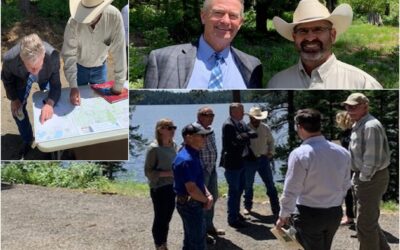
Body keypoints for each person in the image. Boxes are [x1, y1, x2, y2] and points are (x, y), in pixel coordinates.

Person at [276, 109, 351, 250]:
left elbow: (291, 188)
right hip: (334, 213)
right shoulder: (342, 152)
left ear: (299, 127)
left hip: (308, 214)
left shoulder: (300, 154)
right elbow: (346, 184)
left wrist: (283, 215)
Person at [144, 0, 262, 89]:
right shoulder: (161, 59)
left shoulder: (253, 67)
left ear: (240, 23)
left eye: (233, 16)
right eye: (218, 13)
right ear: (203, 16)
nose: (226, 21)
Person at [268, 0, 382, 89]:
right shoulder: (277, 83)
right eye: (303, 31)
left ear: (332, 35)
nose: (310, 37)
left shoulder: (362, 83)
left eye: (318, 29)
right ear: (294, 37)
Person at [342, 93, 391, 250]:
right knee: (368, 222)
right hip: (365, 178)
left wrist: (362, 179)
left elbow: (372, 159)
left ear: (365, 106)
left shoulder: (370, 126)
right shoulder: (360, 123)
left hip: (371, 179)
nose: (350, 110)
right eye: (348, 106)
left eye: (354, 107)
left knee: (364, 225)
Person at [1, 33, 61, 158]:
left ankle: (51, 141)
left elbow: (56, 85)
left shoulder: (53, 56)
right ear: (22, 60)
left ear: (44, 55)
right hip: (21, 79)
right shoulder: (10, 59)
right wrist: (14, 99)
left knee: (53, 107)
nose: (34, 71)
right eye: (31, 67)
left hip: (45, 77)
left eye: (37, 66)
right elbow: (7, 80)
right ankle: (27, 139)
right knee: (17, 111)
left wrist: (50, 104)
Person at [62, 0, 127, 106]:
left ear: (101, 9)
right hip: (79, 68)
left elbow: (119, 51)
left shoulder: (114, 17)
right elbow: (69, 54)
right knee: (77, 105)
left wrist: (119, 84)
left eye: (91, 14)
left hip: (100, 68)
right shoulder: (73, 22)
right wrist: (73, 86)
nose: (87, 18)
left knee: (100, 105)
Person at [173, 123, 214, 250]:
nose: (205, 139)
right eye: (201, 136)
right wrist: (206, 200)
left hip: (190, 203)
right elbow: (191, 189)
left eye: (205, 136)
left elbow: (197, 181)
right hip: (191, 205)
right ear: (189, 138)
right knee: (198, 244)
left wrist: (207, 193)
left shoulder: (192, 154)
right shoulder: (187, 159)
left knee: (190, 241)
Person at [220, 103, 256, 228]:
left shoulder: (241, 123)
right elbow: (235, 141)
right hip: (232, 163)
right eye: (241, 111)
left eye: (243, 110)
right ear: (233, 112)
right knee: (234, 191)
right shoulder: (229, 125)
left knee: (239, 190)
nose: (243, 112)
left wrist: (245, 135)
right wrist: (247, 136)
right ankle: (232, 218)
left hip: (241, 161)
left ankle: (236, 213)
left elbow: (250, 133)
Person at [144, 119, 178, 250]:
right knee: (160, 217)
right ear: (160, 129)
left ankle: (164, 243)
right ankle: (159, 244)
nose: (173, 130)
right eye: (169, 128)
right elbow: (148, 172)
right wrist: (169, 173)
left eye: (173, 127)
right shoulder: (154, 149)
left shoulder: (174, 145)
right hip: (159, 188)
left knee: (167, 217)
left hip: (172, 187)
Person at [193, 106, 225, 242]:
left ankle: (209, 226)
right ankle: (201, 232)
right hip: (201, 171)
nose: (212, 117)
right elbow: (189, 149)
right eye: (208, 114)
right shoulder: (194, 129)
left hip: (211, 169)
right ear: (200, 116)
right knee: (202, 201)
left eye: (213, 115)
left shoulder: (209, 130)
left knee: (213, 197)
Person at [243, 107, 280, 217]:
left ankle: (276, 208)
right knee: (248, 185)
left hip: (263, 159)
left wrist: (271, 152)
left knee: (270, 184)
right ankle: (247, 206)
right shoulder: (245, 128)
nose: (257, 120)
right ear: (250, 117)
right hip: (249, 160)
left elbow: (271, 141)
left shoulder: (265, 128)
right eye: (255, 118)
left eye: (259, 118)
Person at [335, 111, 356, 226]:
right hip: (348, 165)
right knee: (348, 192)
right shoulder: (349, 133)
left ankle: (350, 216)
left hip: (350, 166)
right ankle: (350, 216)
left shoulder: (348, 134)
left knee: (349, 192)